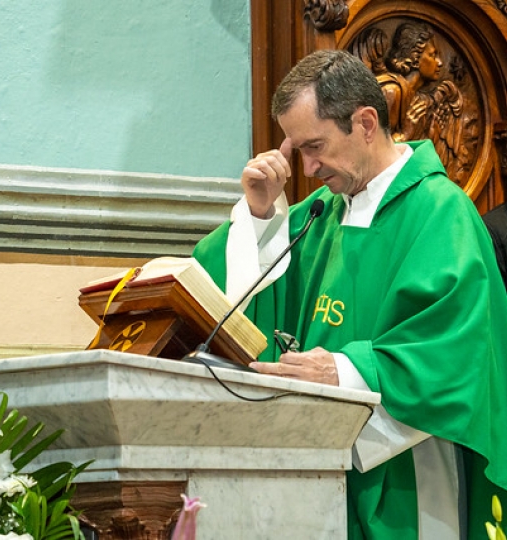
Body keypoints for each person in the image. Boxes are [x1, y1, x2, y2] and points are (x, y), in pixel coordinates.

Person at [192, 49, 507, 539]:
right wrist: (257, 217)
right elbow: (230, 305)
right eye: (298, 150)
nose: (309, 166)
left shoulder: (440, 211)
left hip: (407, 469)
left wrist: (343, 370)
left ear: (364, 122)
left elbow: (457, 349)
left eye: (315, 146)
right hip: (313, 467)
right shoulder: (320, 213)